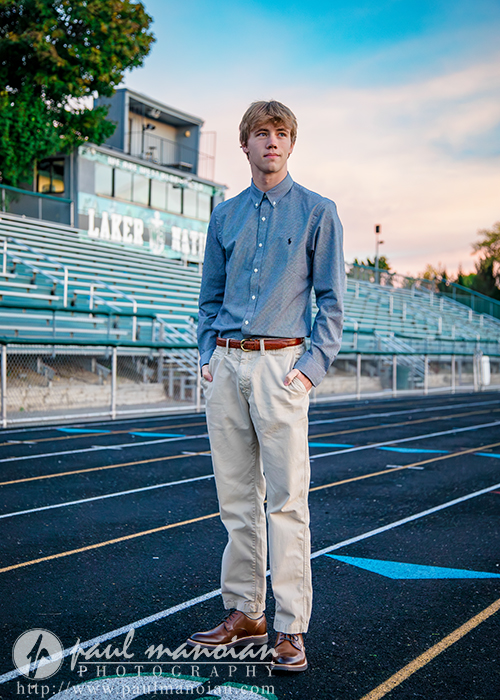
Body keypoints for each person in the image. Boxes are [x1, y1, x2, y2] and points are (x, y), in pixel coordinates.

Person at [188, 100, 344, 672]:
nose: (270, 142)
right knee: (235, 501)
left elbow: (331, 302)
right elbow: (207, 298)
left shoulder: (317, 212)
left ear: (291, 144)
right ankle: (244, 611)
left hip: (282, 368)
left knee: (287, 503)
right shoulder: (223, 216)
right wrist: (208, 356)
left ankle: (290, 627)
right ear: (245, 145)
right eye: (260, 133)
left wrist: (309, 369)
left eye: (280, 134)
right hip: (226, 367)